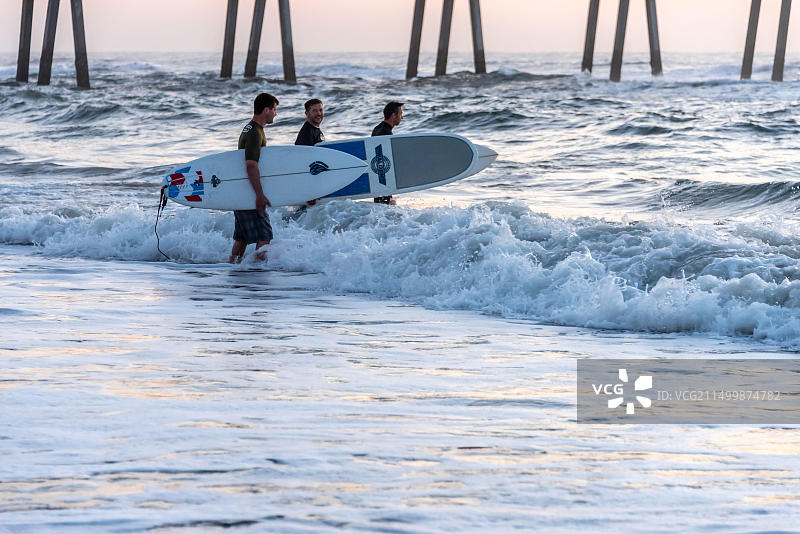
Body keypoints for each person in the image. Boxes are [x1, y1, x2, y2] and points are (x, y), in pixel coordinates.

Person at [229, 92, 279, 264]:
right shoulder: (255, 132)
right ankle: (257, 271)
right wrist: (259, 195)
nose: (275, 114)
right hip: (250, 193)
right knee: (265, 235)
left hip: (242, 192)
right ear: (266, 110)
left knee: (242, 237)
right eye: (274, 109)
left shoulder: (249, 128)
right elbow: (251, 165)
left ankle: (233, 267)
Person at [294, 98, 326, 208]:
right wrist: (310, 191)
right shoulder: (307, 132)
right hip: (310, 187)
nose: (319, 113)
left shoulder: (315, 130)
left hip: (316, 183)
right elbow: (303, 162)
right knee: (306, 212)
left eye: (320, 110)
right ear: (307, 113)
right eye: (314, 111)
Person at [371, 101, 403, 205]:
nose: (402, 117)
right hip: (383, 178)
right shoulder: (386, 133)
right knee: (389, 205)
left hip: (378, 178)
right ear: (393, 115)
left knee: (381, 206)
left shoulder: (377, 128)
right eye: (400, 114)